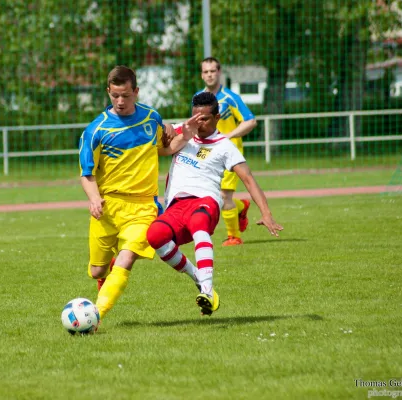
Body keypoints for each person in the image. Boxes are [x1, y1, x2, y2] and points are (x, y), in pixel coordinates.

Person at [79, 66, 200, 321]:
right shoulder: (96, 130)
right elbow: (87, 173)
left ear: (136, 91)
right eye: (115, 96)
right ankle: (104, 280)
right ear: (108, 93)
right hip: (108, 207)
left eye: (125, 95)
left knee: (127, 257)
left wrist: (184, 137)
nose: (120, 101)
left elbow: (164, 149)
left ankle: (95, 315)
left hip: (143, 207)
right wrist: (93, 198)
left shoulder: (151, 118)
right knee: (97, 270)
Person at [146, 92, 283, 316]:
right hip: (176, 205)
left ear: (217, 117)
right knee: (154, 236)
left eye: (205, 119)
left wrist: (266, 213)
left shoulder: (225, 146)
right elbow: (157, 144)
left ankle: (208, 292)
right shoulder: (184, 130)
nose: (198, 123)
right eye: (194, 117)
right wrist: (170, 126)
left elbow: (248, 179)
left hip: (205, 202)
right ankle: (198, 279)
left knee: (199, 223)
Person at [195, 57, 257, 246]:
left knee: (223, 196)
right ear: (202, 74)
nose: (209, 75)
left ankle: (234, 236)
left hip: (229, 154)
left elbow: (250, 121)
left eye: (213, 71)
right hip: (207, 153)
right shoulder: (198, 98)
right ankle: (241, 206)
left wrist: (228, 136)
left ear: (219, 72)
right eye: (206, 71)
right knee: (211, 195)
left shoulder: (230, 98)